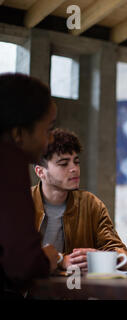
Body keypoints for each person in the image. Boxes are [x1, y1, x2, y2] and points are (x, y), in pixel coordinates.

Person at [32, 128, 127, 272]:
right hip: (29, 292)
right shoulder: (23, 203)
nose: (74, 169)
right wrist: (61, 260)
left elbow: (122, 256)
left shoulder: (90, 204)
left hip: (75, 291)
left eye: (76, 162)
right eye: (64, 163)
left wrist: (100, 257)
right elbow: (14, 255)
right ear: (41, 172)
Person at [0, 73, 59, 298]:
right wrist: (47, 259)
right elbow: (23, 264)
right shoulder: (8, 161)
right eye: (47, 129)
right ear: (18, 134)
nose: (50, 139)